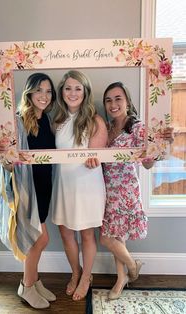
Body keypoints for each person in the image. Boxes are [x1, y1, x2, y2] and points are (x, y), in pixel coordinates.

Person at [86, 81, 174, 301]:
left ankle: (130, 269)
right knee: (116, 238)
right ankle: (123, 276)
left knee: (108, 239)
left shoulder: (137, 127)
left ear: (127, 101)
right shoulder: (107, 126)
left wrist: (162, 145)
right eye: (108, 100)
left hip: (126, 190)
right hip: (106, 189)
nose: (113, 104)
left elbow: (147, 164)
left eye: (118, 99)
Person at [0, 73, 57, 309]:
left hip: (43, 187)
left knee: (41, 238)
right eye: (39, 90)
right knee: (37, 240)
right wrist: (2, 157)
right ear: (29, 92)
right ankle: (27, 286)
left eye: (48, 91)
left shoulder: (47, 120)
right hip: (27, 189)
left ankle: (34, 281)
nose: (44, 96)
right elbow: (8, 163)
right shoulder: (18, 121)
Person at [50, 70, 108, 301]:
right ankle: (75, 272)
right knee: (65, 234)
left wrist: (95, 160)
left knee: (86, 235)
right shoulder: (57, 120)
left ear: (85, 92)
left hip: (87, 185)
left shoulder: (95, 120)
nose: (72, 93)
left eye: (78, 88)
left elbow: (97, 155)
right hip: (63, 185)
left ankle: (87, 276)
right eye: (68, 88)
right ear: (62, 91)